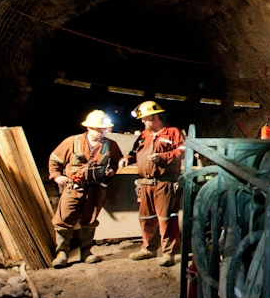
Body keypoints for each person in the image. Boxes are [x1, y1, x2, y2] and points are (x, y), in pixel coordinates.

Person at [48, 110, 122, 268]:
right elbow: (55, 160)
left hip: (96, 188)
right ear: (88, 127)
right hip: (73, 187)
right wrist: (56, 176)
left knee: (90, 220)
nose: (101, 132)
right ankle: (62, 253)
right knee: (64, 219)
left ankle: (86, 252)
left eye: (103, 129)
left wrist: (112, 170)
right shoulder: (72, 142)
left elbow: (116, 160)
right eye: (98, 129)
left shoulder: (110, 145)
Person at [118, 100, 185, 266]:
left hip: (164, 183)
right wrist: (127, 158)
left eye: (145, 118)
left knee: (166, 219)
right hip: (145, 184)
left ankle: (169, 253)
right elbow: (134, 152)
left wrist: (163, 157)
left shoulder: (173, 132)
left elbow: (184, 151)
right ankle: (148, 249)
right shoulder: (143, 135)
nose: (142, 121)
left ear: (155, 116)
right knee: (146, 218)